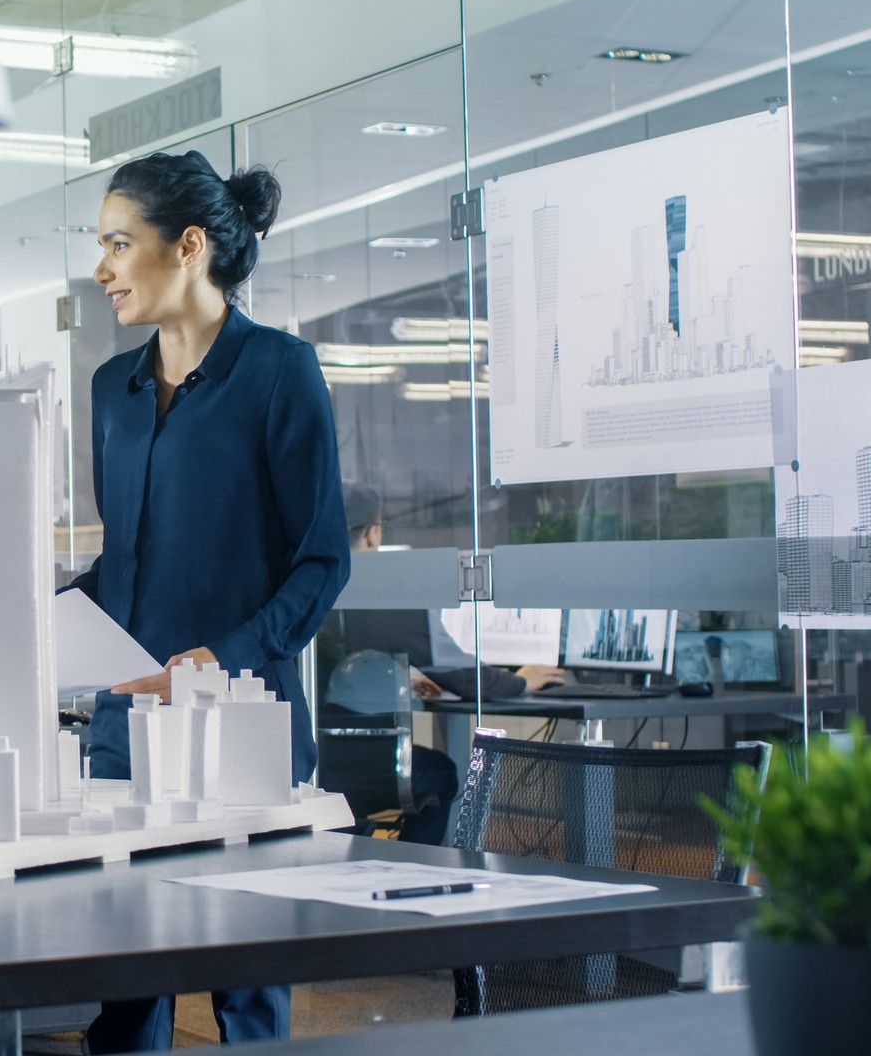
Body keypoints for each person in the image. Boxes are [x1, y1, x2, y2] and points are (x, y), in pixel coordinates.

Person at [65, 150, 350, 1052]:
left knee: (247, 996)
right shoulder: (112, 389)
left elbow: (320, 563)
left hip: (241, 728)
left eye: (119, 243)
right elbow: (126, 563)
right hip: (129, 730)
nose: (102, 267)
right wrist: (39, 620)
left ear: (188, 247)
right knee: (125, 989)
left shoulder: (280, 373)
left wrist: (216, 659)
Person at [318, 484, 565, 845]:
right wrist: (520, 682)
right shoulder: (386, 593)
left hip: (316, 763)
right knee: (443, 773)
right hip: (374, 767)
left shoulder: (312, 587)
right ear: (372, 533)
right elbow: (457, 675)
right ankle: (422, 866)